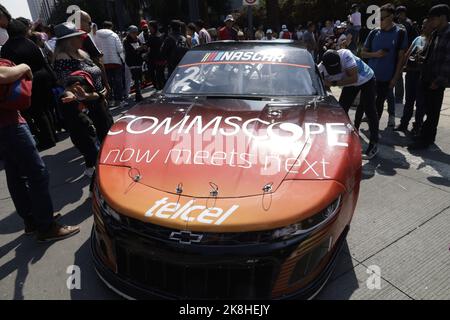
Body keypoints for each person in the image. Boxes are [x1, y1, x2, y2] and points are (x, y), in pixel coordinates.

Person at [0, 59, 80, 241]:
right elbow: (2, 75)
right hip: (9, 124)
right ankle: (46, 226)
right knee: (38, 173)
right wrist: (24, 67)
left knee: (16, 175)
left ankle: (33, 221)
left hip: (7, 124)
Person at [53, 22, 113, 177]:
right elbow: (71, 85)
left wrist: (103, 92)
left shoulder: (81, 53)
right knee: (95, 144)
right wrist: (92, 95)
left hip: (98, 100)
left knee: (107, 137)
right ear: (68, 40)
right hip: (87, 105)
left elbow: (95, 72)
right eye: (77, 36)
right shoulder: (62, 59)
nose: (82, 38)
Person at [2, 19, 58, 151]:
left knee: (36, 112)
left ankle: (47, 139)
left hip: (28, 80)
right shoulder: (31, 43)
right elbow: (44, 61)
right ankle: (53, 135)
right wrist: (53, 77)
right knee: (45, 109)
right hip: (43, 78)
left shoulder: (6, 48)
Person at [319, 49, 379, 159]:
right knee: (341, 111)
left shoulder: (345, 55)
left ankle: (374, 143)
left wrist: (333, 83)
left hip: (366, 79)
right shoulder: (320, 68)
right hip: (349, 84)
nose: (336, 71)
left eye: (337, 68)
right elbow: (322, 86)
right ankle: (344, 137)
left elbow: (354, 78)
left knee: (370, 110)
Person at [409, 4, 450, 150]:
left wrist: (438, 81)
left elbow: (447, 61)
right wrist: (421, 57)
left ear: (442, 17)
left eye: (433, 19)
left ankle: (425, 139)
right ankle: (427, 136)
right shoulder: (435, 33)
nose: (430, 22)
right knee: (426, 108)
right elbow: (430, 54)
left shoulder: (448, 33)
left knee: (432, 112)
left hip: (436, 80)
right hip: (426, 76)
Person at [361, 3, 408, 128]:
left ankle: (374, 130)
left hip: (386, 78)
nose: (379, 21)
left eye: (382, 18)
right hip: (369, 77)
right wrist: (375, 54)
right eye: (378, 18)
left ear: (391, 16)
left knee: (379, 104)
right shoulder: (373, 33)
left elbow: (401, 59)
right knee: (366, 103)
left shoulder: (400, 33)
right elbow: (363, 54)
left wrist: (395, 78)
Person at [395, 19, 433, 135]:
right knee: (409, 101)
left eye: (426, 26)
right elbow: (407, 54)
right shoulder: (418, 39)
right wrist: (402, 68)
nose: (423, 28)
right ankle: (403, 123)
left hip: (422, 75)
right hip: (411, 73)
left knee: (420, 103)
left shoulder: (433, 41)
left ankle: (417, 126)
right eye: (423, 26)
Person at [95, 21, 125, 107]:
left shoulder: (96, 35)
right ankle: (119, 100)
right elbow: (120, 49)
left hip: (103, 62)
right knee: (118, 81)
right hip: (115, 62)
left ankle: (110, 100)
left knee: (107, 82)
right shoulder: (114, 35)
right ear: (111, 27)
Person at [123, 25, 146, 102]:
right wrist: (139, 49)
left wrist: (143, 49)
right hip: (132, 62)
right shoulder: (126, 41)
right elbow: (130, 52)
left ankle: (139, 94)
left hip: (139, 61)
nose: (134, 34)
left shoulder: (138, 39)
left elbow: (140, 50)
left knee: (139, 78)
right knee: (136, 79)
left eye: (136, 32)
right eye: (133, 32)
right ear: (129, 33)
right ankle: (138, 95)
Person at [147, 20, 166, 91]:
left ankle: (161, 89)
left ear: (153, 27)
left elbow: (148, 46)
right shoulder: (157, 36)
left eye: (150, 27)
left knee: (159, 75)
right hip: (155, 59)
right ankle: (160, 88)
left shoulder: (157, 36)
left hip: (158, 59)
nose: (149, 29)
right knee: (158, 75)